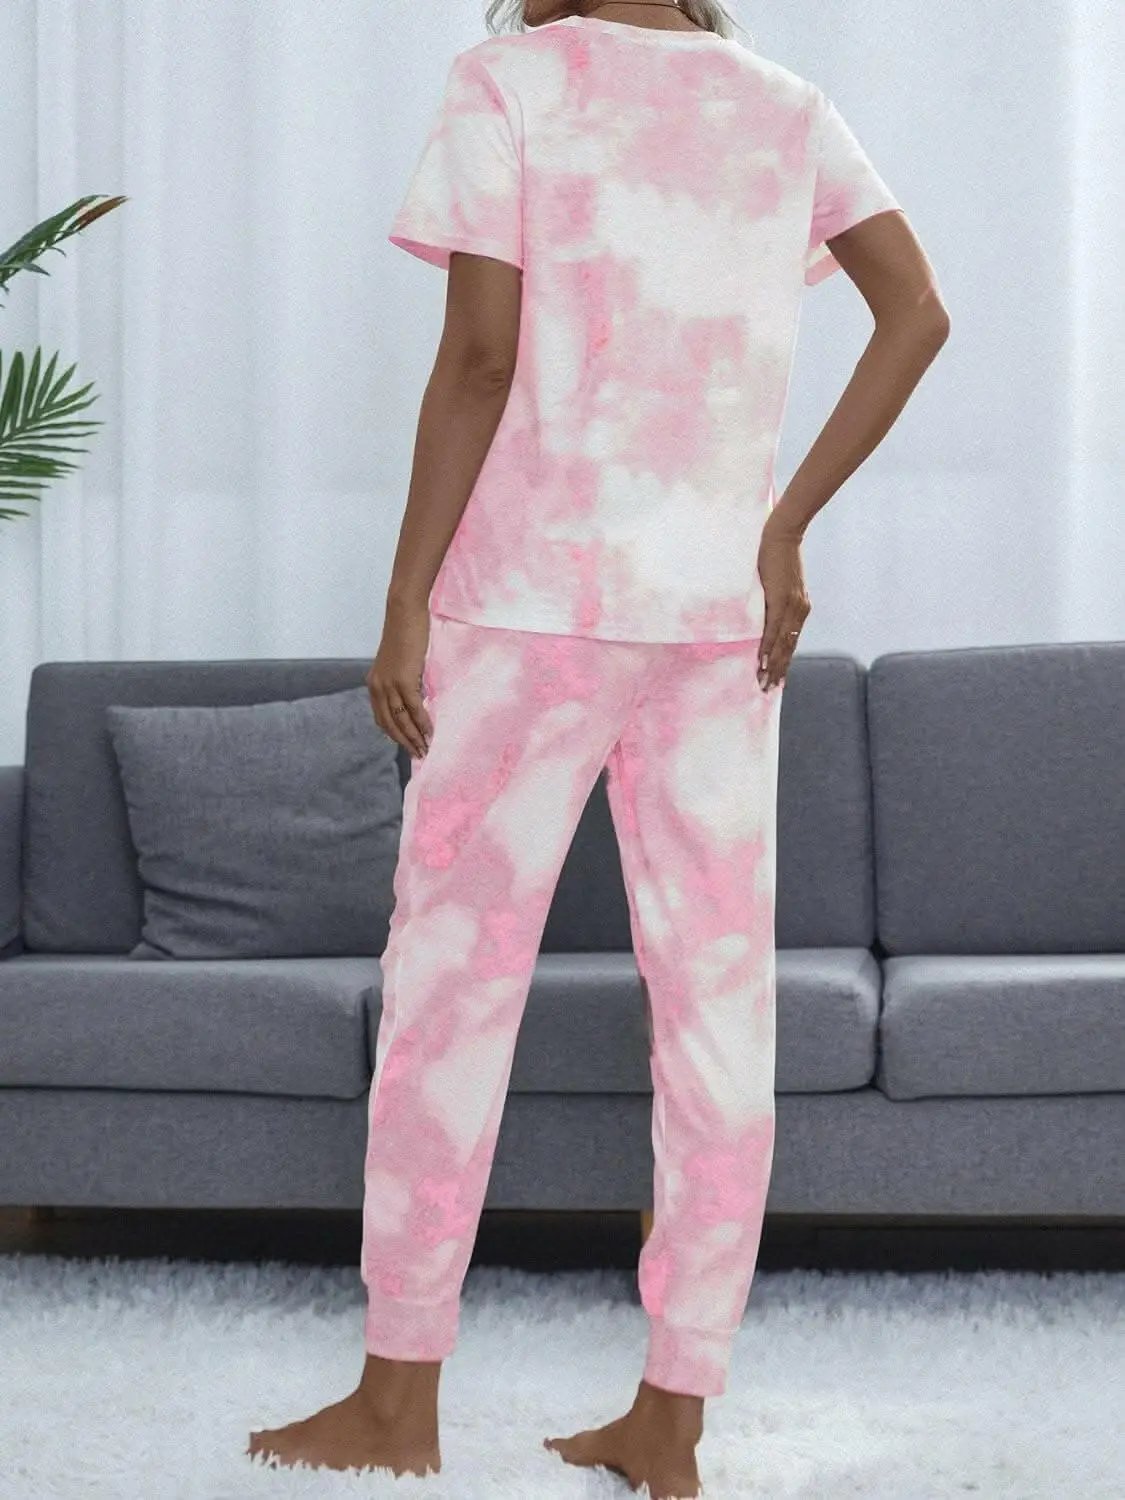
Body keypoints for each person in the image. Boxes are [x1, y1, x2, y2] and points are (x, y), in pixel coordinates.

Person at [247, 1, 949, 1494]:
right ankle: (672, 1419)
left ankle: (397, 1402)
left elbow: (480, 354)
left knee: (448, 994)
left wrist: (404, 600)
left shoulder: (509, 80)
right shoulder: (782, 103)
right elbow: (917, 315)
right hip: (713, 622)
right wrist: (783, 525)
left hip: (527, 609)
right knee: (715, 1012)